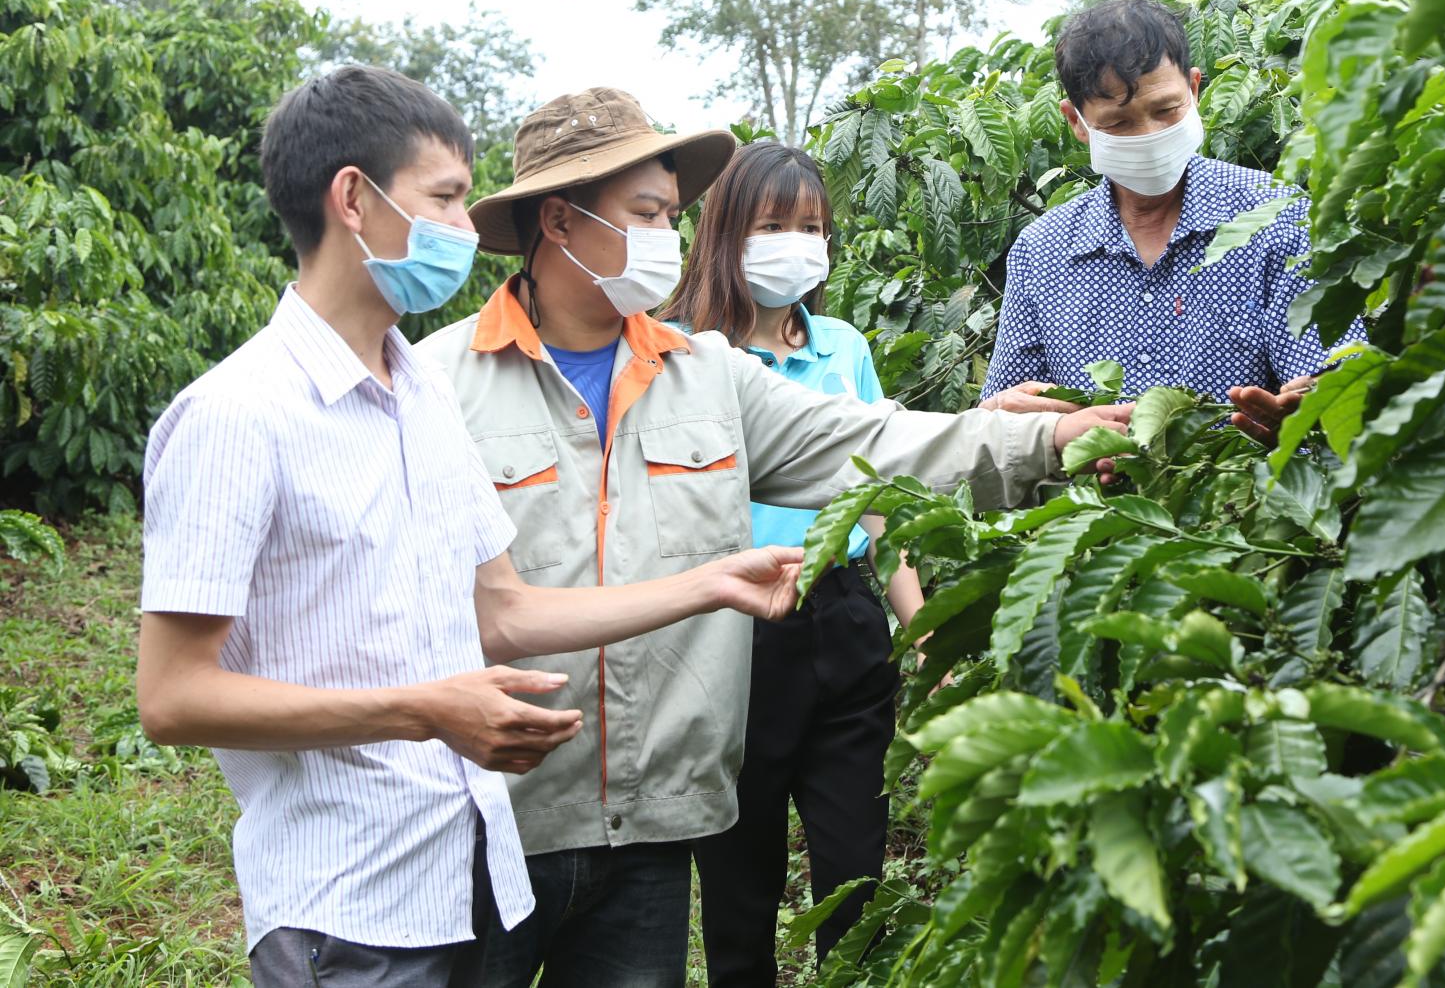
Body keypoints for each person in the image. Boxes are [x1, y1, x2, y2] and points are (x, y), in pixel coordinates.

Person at [416, 88, 1130, 988]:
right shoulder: (436, 383)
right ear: (560, 220)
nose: (665, 239)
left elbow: (870, 442)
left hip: (654, 825)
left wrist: (1047, 438)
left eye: (671, 218)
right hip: (493, 814)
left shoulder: (709, 376)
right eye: (645, 215)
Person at [136, 66, 811, 988]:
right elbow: (172, 699)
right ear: (352, 200)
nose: (467, 232)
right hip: (342, 910)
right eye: (448, 201)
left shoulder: (419, 395)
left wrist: (708, 584)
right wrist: (425, 710)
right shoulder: (237, 416)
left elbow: (506, 607)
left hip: (463, 868)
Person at [660, 141, 918, 985]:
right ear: (727, 235)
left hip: (842, 619)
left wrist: (921, 627)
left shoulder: (841, 346)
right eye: (773, 225)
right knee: (740, 890)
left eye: (811, 227)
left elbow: (878, 496)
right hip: (733, 629)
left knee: (857, 879)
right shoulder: (681, 356)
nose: (796, 244)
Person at [979, 0, 1361, 440]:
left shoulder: (1275, 217)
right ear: (1077, 122)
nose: (1149, 136)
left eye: (1167, 110)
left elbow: (1336, 370)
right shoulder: (1042, 251)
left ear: (1194, 89)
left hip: (1248, 498)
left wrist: (1314, 405)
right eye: (1118, 124)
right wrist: (1012, 419)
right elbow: (1005, 417)